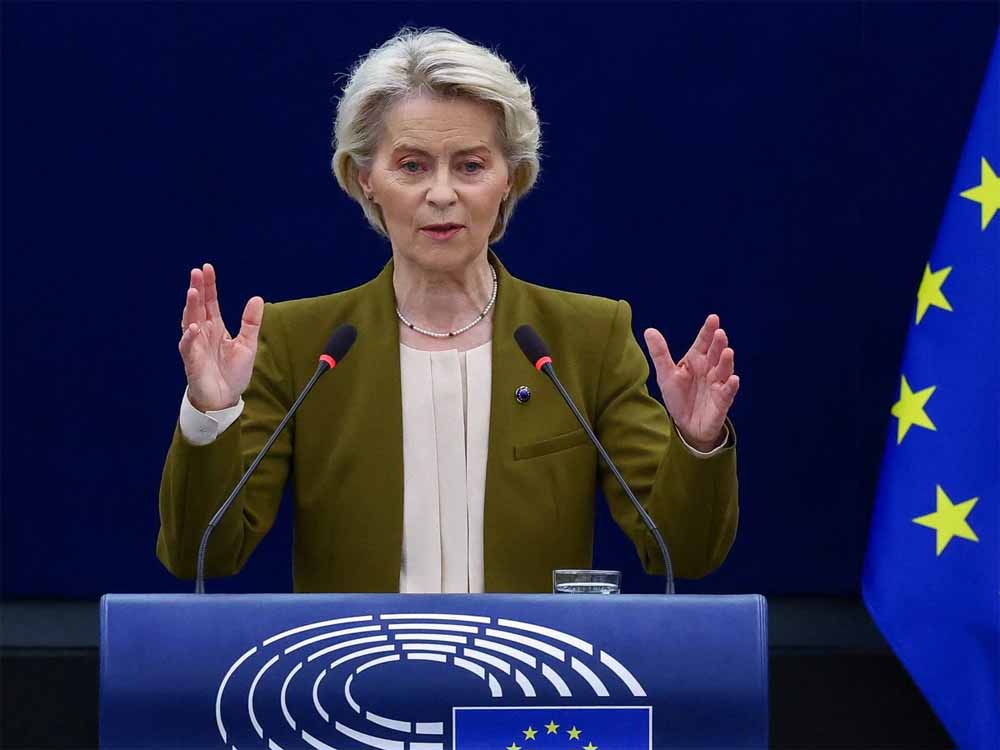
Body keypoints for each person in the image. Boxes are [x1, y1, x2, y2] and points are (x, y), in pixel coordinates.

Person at [157, 27, 740, 594]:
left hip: (524, 663)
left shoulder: (585, 339)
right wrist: (211, 413)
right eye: (412, 166)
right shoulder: (304, 346)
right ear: (365, 179)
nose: (441, 194)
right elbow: (202, 556)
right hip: (360, 663)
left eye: (470, 165)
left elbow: (682, 554)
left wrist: (696, 444)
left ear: (510, 178)